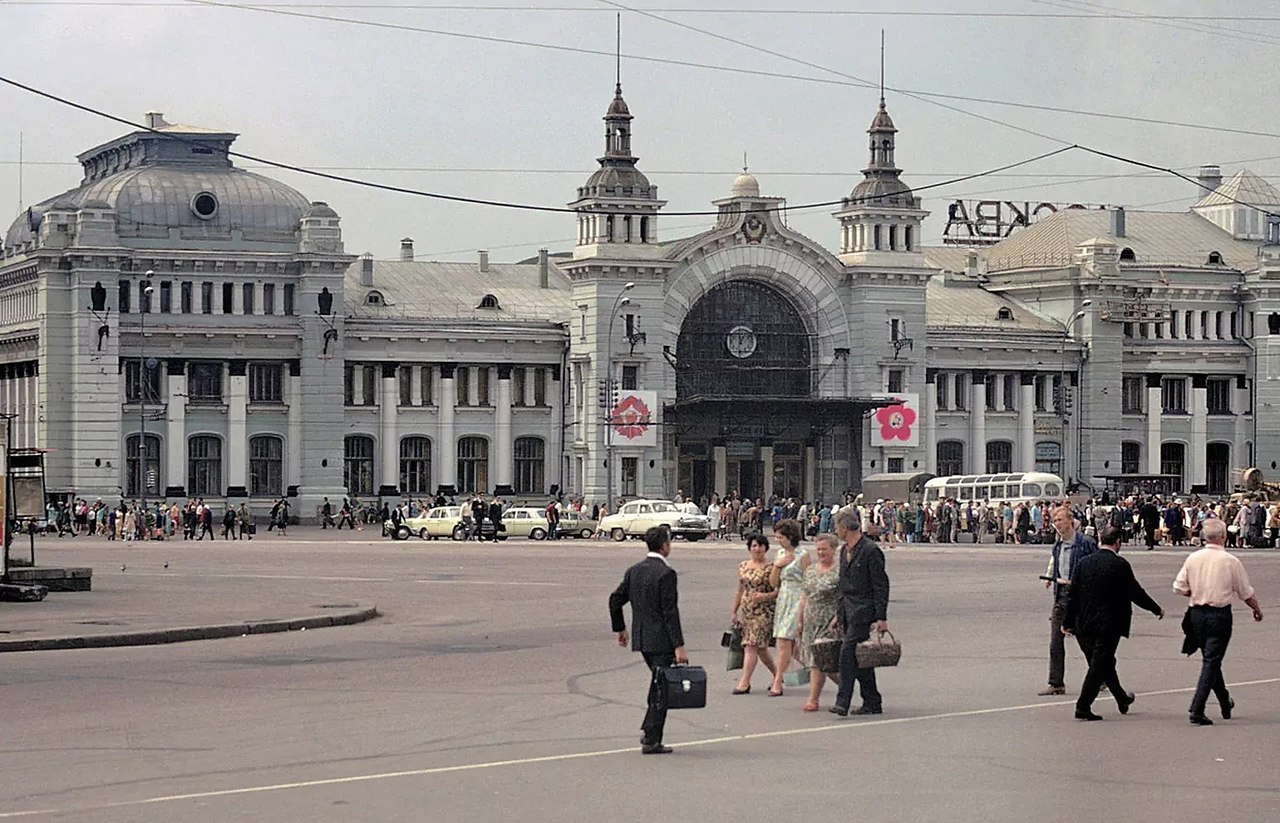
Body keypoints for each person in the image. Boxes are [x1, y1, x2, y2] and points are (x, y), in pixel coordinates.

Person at [1062, 526, 1164, 721]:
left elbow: (1072, 595)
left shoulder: (1084, 563)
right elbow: (1135, 592)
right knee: (1099, 665)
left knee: (1104, 662)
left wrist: (1067, 622)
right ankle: (1083, 706)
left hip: (1083, 623)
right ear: (1117, 542)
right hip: (1108, 624)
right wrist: (1155, 608)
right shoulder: (1119, 565)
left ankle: (1122, 698)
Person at [1173, 518, 1264, 726]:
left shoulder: (1193, 558)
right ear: (1223, 536)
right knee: (1211, 661)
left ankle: (1224, 700)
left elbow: (1178, 587)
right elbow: (1245, 592)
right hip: (1218, 615)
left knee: (1211, 660)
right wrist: (1256, 609)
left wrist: (1194, 591)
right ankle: (1197, 708)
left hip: (1196, 613)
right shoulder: (1230, 561)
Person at [608, 526, 688, 755]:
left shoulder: (635, 570)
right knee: (662, 688)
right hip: (661, 640)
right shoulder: (666, 574)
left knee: (658, 683)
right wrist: (679, 645)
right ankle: (651, 738)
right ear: (665, 546)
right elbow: (669, 613)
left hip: (642, 638)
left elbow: (615, 599)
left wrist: (621, 628)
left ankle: (649, 730)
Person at [829, 508, 889, 717]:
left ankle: (842, 702)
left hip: (864, 610)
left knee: (846, 654)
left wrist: (881, 617)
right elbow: (842, 586)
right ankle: (872, 701)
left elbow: (881, 585)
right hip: (848, 609)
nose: (835, 531)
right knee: (860, 659)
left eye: (837, 527)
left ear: (845, 527)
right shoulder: (844, 551)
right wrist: (838, 614)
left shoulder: (870, 550)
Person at [1039, 505, 1098, 696]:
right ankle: (1056, 682)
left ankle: (1101, 676)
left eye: (1060, 520)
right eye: (1055, 521)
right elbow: (1055, 564)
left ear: (1070, 521)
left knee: (1085, 641)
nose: (1057, 524)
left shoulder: (1085, 543)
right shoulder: (1057, 546)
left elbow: (1095, 566)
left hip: (1080, 598)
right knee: (1056, 641)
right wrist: (1052, 577)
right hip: (1062, 596)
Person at [731, 533, 777, 695]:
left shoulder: (771, 568)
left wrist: (764, 596)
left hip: (764, 611)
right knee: (760, 648)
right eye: (754, 546)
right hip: (748, 611)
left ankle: (744, 682)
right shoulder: (743, 566)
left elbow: (778, 591)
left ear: (766, 548)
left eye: (760, 546)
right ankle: (777, 675)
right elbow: (740, 589)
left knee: (750, 645)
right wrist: (734, 611)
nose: (757, 549)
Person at [798, 533, 840, 712]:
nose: (821, 553)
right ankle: (850, 684)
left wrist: (839, 617)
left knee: (819, 660)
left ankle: (813, 699)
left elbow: (845, 597)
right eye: (818, 549)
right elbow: (804, 595)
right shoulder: (811, 570)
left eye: (824, 549)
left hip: (830, 622)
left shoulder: (840, 570)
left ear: (834, 549)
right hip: (810, 620)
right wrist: (798, 619)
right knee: (821, 662)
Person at [768, 518, 809, 696]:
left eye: (781, 537)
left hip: (797, 598)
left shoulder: (803, 555)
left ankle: (778, 681)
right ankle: (821, 669)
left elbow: (808, 582)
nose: (778, 541)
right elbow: (773, 582)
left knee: (784, 641)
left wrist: (804, 607)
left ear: (790, 537)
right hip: (783, 598)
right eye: (776, 537)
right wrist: (777, 566)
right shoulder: (779, 554)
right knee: (791, 646)